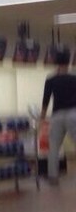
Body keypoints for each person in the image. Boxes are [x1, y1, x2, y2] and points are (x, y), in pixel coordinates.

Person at [40, 49, 76, 186]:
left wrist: (42, 119)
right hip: (73, 114)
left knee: (54, 147)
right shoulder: (74, 78)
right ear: (68, 61)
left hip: (57, 116)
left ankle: (53, 177)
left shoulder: (51, 79)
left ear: (56, 62)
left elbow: (45, 101)